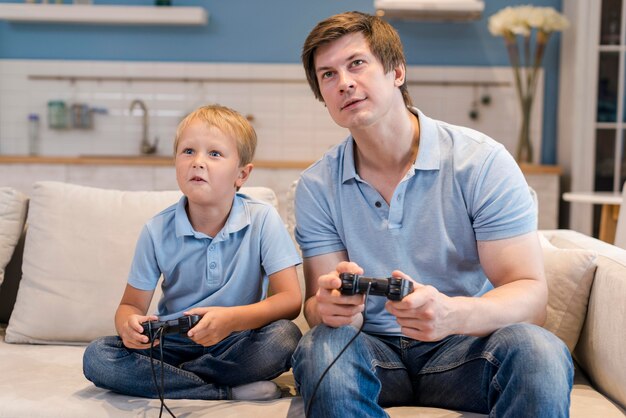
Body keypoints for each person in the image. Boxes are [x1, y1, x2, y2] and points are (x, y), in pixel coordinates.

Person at [292, 11, 573, 417]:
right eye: (328, 75)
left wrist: (452, 314)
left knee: (539, 348)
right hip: (372, 352)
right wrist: (331, 309)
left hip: (464, 347)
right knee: (319, 347)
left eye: (356, 64)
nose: (344, 83)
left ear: (397, 72)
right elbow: (317, 306)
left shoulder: (480, 162)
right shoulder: (316, 186)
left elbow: (532, 296)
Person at [83, 104, 302, 401]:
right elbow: (130, 306)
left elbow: (290, 301)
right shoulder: (156, 230)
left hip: (235, 339)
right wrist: (127, 325)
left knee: (284, 337)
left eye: (214, 154)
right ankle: (223, 390)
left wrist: (231, 320)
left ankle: (176, 381)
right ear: (175, 162)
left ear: (242, 174)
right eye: (188, 151)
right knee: (98, 356)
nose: (198, 162)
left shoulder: (262, 219)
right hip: (172, 343)